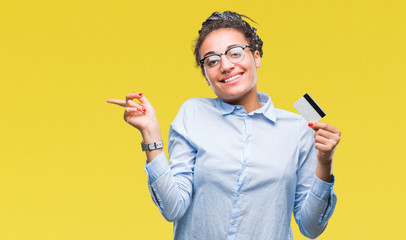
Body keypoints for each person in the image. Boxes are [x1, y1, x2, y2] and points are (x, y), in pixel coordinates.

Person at [107, 11, 341, 240]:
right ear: (206, 77)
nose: (226, 65)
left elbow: (312, 228)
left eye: (235, 53)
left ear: (256, 57)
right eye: (212, 61)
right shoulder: (193, 114)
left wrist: (325, 162)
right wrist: (150, 134)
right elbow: (172, 208)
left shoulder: (297, 128)